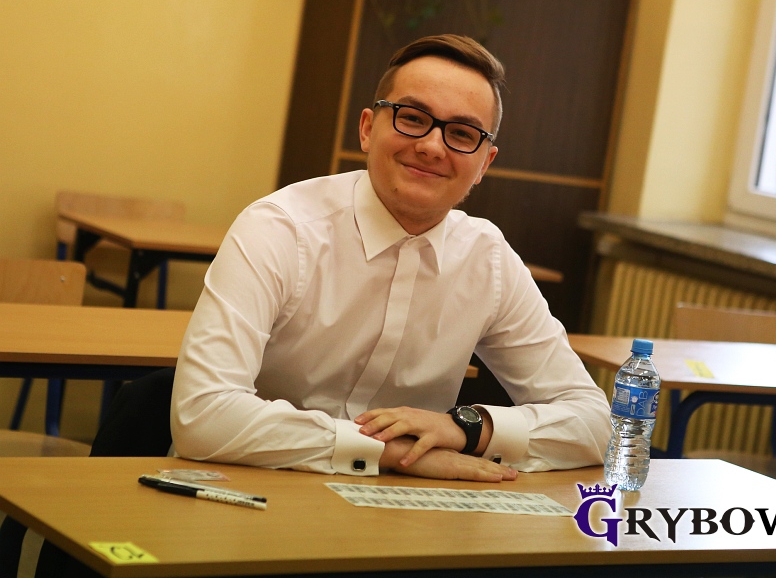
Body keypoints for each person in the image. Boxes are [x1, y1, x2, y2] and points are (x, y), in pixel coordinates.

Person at [171, 34, 611, 483]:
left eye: (462, 134)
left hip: (404, 507)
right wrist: (392, 453)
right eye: (412, 118)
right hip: (253, 485)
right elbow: (202, 416)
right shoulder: (280, 229)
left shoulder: (488, 260)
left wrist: (466, 429)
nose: (432, 146)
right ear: (367, 129)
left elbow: (596, 424)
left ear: (484, 164)